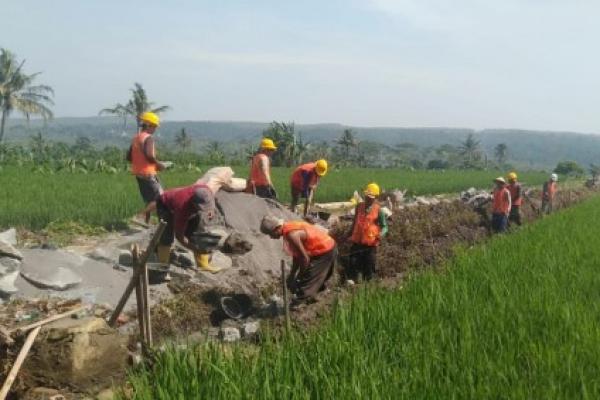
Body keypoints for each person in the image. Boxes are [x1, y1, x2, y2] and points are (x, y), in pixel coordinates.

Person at [142, 183, 222, 273]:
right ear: (194, 204)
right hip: (165, 205)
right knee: (166, 235)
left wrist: (210, 209)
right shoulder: (182, 207)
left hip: (180, 197)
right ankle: (163, 266)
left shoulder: (205, 190)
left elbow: (210, 200)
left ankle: (203, 265)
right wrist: (194, 248)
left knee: (197, 232)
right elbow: (179, 236)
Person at [260, 215, 337, 308]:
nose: (271, 237)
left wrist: (299, 277)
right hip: (319, 249)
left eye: (270, 234)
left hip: (325, 250)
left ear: (277, 228)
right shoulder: (288, 228)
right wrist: (292, 274)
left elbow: (305, 259)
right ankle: (314, 295)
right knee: (310, 277)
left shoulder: (292, 235)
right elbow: (297, 256)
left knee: (307, 281)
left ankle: (298, 304)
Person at [127, 112, 167, 222]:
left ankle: (147, 222)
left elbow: (129, 157)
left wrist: (141, 162)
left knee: (150, 200)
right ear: (149, 125)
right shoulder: (148, 138)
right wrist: (159, 164)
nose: (155, 129)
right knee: (160, 199)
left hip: (139, 173)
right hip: (148, 173)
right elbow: (149, 155)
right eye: (154, 126)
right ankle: (139, 216)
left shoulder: (136, 138)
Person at [347, 183, 388, 282]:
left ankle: (368, 286)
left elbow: (385, 226)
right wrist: (349, 233)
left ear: (375, 197)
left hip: (370, 244)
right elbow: (355, 222)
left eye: (371, 197)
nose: (368, 198)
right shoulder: (359, 207)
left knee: (369, 267)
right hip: (357, 242)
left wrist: (380, 234)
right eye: (367, 196)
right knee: (353, 263)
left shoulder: (379, 210)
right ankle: (353, 284)